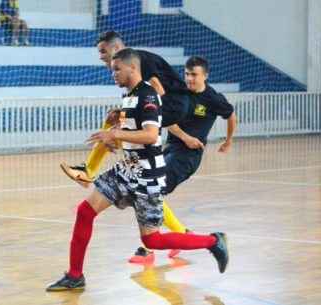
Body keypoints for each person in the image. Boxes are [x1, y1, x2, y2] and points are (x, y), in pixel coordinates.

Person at [45, 49, 228, 292]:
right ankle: (75, 275)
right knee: (84, 212)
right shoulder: (129, 96)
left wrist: (115, 133)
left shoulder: (148, 95)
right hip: (128, 169)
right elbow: (132, 134)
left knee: (152, 239)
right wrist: (116, 129)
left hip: (147, 175)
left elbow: (151, 135)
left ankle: (213, 241)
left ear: (133, 68)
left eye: (117, 69)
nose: (113, 74)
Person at [61, 30, 193, 260]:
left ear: (116, 48)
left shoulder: (138, 62)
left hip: (175, 103)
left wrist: (122, 127)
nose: (101, 57)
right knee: (117, 127)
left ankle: (88, 170)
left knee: (119, 133)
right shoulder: (128, 70)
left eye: (103, 51)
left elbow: (156, 92)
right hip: (167, 107)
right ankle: (180, 233)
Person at [162, 56, 237, 197]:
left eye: (194, 75)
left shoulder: (213, 98)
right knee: (146, 184)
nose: (189, 78)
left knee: (154, 188)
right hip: (170, 148)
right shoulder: (178, 91)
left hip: (188, 155)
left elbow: (231, 115)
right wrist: (185, 137)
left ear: (205, 76)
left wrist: (228, 140)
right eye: (187, 74)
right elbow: (167, 120)